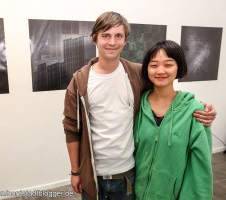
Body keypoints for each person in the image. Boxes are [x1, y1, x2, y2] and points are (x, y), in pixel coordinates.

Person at [62, 11, 216, 200]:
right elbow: (71, 128)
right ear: (95, 38)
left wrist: (203, 107)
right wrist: (75, 171)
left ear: (125, 40)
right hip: (92, 175)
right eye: (106, 35)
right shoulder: (79, 81)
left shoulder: (136, 73)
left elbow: (165, 90)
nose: (112, 42)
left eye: (118, 35)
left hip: (129, 174)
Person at [134, 40, 213, 199]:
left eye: (168, 65)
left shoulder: (194, 111)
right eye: (154, 65)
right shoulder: (138, 106)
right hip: (136, 193)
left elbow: (200, 167)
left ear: (179, 67)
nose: (160, 71)